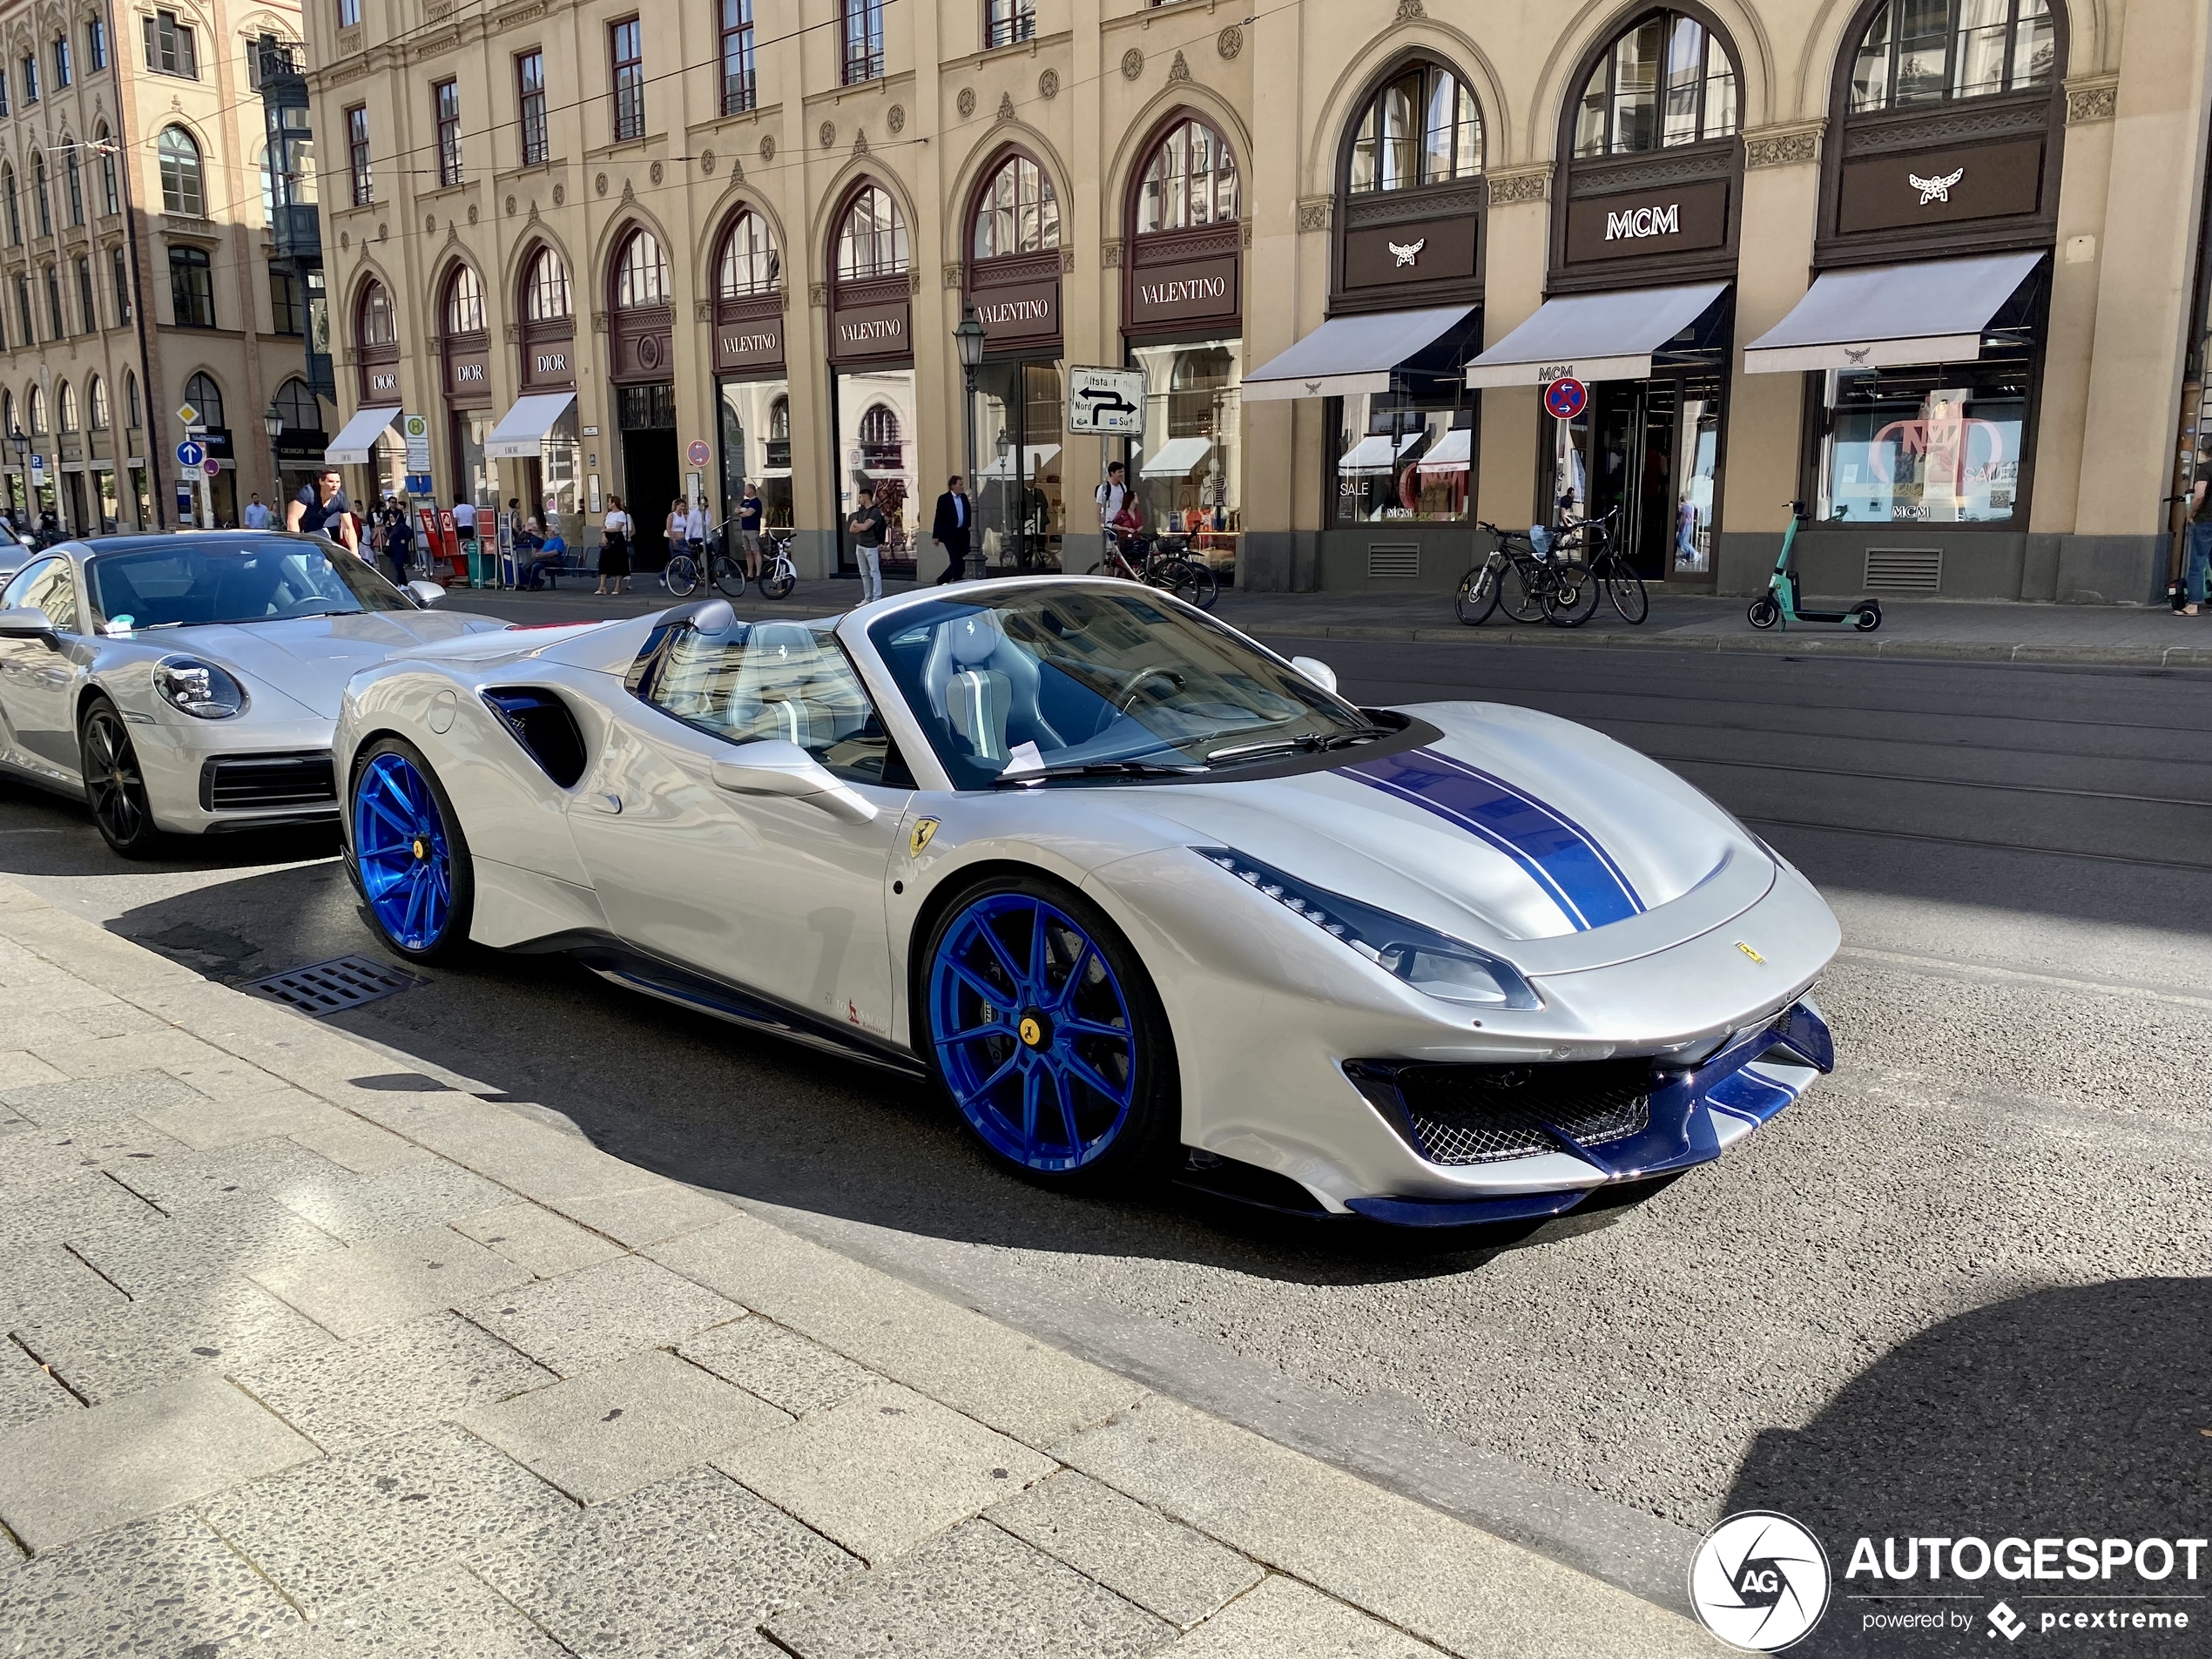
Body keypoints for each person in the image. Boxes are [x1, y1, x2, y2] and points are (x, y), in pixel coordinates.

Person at [287, 470, 361, 557]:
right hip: (300, 532)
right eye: (331, 481)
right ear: (321, 481)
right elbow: (293, 518)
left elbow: (348, 527)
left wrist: (354, 551)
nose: (335, 485)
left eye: (338, 482)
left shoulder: (340, 498)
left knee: (326, 559)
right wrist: (296, 544)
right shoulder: (308, 492)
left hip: (319, 532)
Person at [847, 483, 887, 604]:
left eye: (860, 497)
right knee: (864, 573)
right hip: (859, 545)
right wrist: (861, 526)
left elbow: (865, 527)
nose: (859, 500)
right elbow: (851, 529)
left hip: (871, 546)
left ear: (865, 497)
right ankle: (867, 597)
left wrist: (859, 526)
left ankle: (877, 597)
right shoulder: (861, 512)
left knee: (874, 572)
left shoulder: (875, 512)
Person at [930, 475, 972, 585]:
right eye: (960, 485)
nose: (962, 487)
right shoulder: (944, 499)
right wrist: (936, 536)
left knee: (964, 558)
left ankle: (943, 579)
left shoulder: (963, 497)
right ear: (953, 486)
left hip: (963, 534)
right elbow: (938, 517)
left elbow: (968, 513)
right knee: (956, 559)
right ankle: (957, 580)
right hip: (950, 535)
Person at [2185, 467, 2212, 617]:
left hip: (2206, 522)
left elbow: (2200, 494)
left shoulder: (2206, 468)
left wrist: (2191, 513)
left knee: (2198, 563)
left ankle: (2193, 605)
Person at [597, 496, 631, 597]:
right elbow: (604, 525)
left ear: (613, 503)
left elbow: (617, 528)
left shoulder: (621, 514)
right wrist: (603, 535)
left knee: (618, 562)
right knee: (603, 561)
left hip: (617, 538)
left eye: (609, 502)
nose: (608, 504)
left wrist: (604, 530)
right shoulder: (609, 514)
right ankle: (602, 586)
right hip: (607, 537)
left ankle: (618, 586)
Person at [738, 482, 765, 581]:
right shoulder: (745, 501)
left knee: (755, 551)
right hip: (744, 529)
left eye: (746, 489)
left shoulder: (756, 502)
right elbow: (736, 510)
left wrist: (743, 512)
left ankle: (758, 573)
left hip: (753, 530)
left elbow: (748, 513)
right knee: (748, 552)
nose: (744, 491)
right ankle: (750, 574)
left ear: (751, 491)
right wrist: (742, 510)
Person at [1096, 461, 1130, 532]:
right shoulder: (1104, 488)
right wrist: (1101, 526)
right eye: (1119, 472)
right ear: (1112, 473)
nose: (1122, 474)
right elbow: (1098, 508)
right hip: (1109, 526)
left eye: (1123, 472)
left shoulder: (1123, 487)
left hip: (1121, 523)